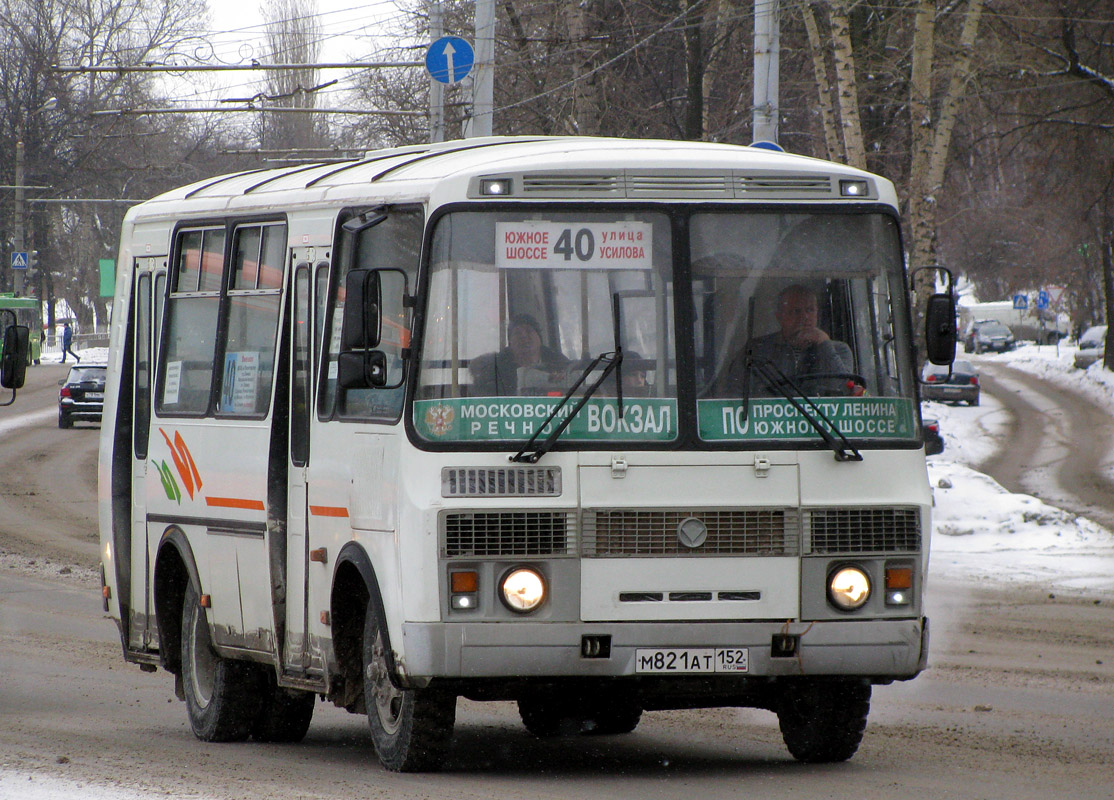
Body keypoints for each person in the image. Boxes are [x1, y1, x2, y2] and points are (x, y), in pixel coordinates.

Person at [721, 284, 859, 397]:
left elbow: (843, 388)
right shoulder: (757, 350)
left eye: (810, 310)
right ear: (780, 317)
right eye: (796, 311)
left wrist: (824, 343)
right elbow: (735, 393)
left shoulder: (838, 350)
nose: (804, 317)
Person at [469, 314, 569, 396]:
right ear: (510, 342)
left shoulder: (558, 362)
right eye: (517, 333)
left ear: (539, 338)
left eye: (529, 331)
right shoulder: (494, 370)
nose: (524, 337)